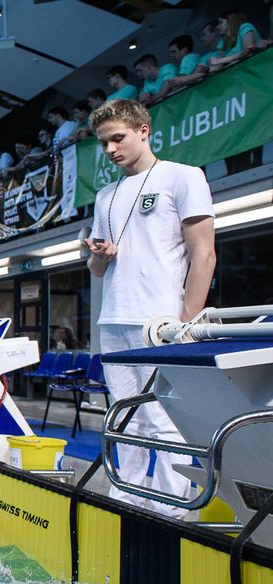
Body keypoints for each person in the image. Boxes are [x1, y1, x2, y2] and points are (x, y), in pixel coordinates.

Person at [81, 99, 216, 518]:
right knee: (124, 419)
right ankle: (129, 495)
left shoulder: (183, 177)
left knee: (163, 418)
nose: (110, 150)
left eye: (117, 138)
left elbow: (204, 255)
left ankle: (171, 507)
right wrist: (101, 254)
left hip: (160, 321)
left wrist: (186, 322)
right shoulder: (106, 195)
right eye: (104, 143)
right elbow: (96, 270)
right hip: (114, 319)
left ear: (144, 130)